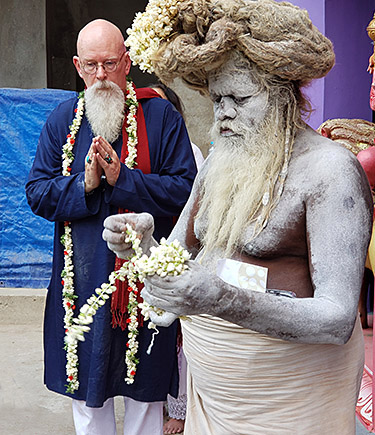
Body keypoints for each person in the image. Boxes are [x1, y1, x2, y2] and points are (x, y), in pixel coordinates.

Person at [103, 1, 374, 434]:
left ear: (285, 94)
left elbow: (338, 318)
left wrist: (220, 300)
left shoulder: (331, 172)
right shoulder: (219, 161)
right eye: (217, 99)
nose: (223, 113)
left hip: (289, 404)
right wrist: (143, 243)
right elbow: (179, 257)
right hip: (213, 402)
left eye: (240, 98)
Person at [25, 19, 197, 435]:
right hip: (81, 283)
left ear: (127, 62)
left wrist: (125, 180)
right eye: (90, 66)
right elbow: (37, 192)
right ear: (77, 66)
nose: (100, 76)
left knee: (144, 396)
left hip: (143, 284)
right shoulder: (62, 120)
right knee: (88, 392)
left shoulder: (159, 116)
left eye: (109, 63)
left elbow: (186, 190)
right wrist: (83, 185)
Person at [149, 82, 204, 434]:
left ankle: (180, 410)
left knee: (182, 339)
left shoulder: (193, 152)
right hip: (153, 253)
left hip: (182, 252)